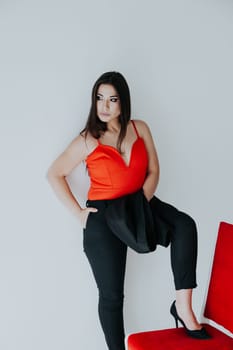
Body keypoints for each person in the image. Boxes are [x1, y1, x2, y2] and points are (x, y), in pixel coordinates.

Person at [46, 71, 210, 350]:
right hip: (103, 216)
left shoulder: (140, 128)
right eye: (99, 98)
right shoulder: (88, 139)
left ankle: (182, 308)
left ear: (124, 103)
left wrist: (141, 203)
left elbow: (154, 170)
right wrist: (78, 213)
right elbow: (54, 174)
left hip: (140, 202)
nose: (104, 106)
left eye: (112, 99)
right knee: (111, 296)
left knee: (185, 225)